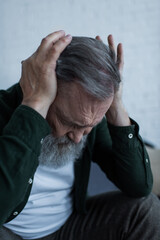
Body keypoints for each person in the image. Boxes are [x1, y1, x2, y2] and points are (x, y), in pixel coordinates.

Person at [0, 30, 160, 240]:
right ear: (44, 88)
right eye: (69, 123)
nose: (78, 138)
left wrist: (116, 107)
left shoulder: (87, 121)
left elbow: (139, 186)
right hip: (11, 233)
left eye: (88, 127)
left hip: (71, 228)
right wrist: (34, 107)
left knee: (147, 209)